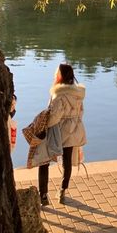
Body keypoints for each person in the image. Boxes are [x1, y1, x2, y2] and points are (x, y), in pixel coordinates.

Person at [34, 63, 86, 206]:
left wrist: (43, 125)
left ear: (60, 75)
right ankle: (62, 191)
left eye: (56, 73)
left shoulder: (58, 95)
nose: (54, 75)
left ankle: (43, 195)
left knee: (44, 161)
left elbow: (55, 116)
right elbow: (81, 112)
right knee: (67, 160)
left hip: (58, 131)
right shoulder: (78, 94)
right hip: (74, 129)